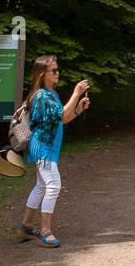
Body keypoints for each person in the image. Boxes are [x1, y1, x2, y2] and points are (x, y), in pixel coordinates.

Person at [17, 54, 89, 248]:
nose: (57, 73)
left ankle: (25, 227)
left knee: (41, 186)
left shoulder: (52, 94)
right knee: (54, 186)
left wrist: (78, 110)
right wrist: (76, 93)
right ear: (42, 74)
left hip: (48, 147)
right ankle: (45, 231)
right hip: (42, 147)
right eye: (53, 70)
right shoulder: (41, 95)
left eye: (57, 69)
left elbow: (63, 118)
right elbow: (61, 114)